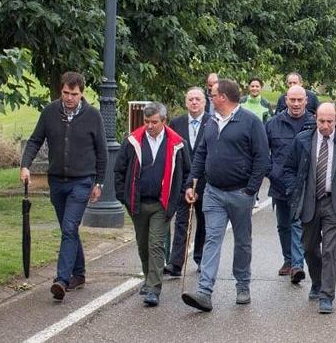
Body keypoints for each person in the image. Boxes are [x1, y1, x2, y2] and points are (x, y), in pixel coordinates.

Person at [182, 79, 270, 312]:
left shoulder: (250, 122)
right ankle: (204, 291)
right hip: (213, 193)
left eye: (212, 95)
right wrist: (191, 183)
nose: (209, 98)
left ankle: (242, 285)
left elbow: (262, 158)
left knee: (242, 242)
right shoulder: (210, 122)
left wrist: (250, 189)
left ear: (223, 97)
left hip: (240, 193)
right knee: (212, 239)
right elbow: (201, 153)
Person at [20, 71, 106, 301]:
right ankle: (79, 273)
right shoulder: (50, 112)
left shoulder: (93, 116)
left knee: (69, 228)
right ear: (61, 91)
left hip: (82, 181)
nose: (69, 98)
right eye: (66, 93)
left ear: (82, 94)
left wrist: (99, 182)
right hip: (57, 181)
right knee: (69, 229)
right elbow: (36, 140)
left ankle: (62, 279)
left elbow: (102, 151)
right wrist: (25, 165)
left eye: (74, 94)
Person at [281, 103, 336, 314]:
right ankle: (317, 282)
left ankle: (327, 295)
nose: (325, 126)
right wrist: (294, 191)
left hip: (334, 202)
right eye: (321, 121)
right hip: (309, 201)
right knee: (309, 248)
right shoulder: (303, 140)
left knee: (329, 250)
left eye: (329, 121)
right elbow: (288, 169)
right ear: (315, 119)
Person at [113, 102, 189, 307]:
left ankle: (154, 288)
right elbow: (119, 171)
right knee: (143, 244)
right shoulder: (132, 142)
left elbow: (187, 173)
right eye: (147, 122)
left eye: (154, 122)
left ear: (163, 121)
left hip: (161, 204)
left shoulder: (177, 144)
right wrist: (124, 198)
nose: (149, 126)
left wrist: (180, 195)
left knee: (156, 244)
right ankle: (148, 279)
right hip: (137, 203)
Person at [264, 86, 316, 281]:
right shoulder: (273, 124)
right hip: (279, 184)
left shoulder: (313, 122)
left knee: (297, 223)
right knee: (283, 225)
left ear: (306, 101)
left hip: (303, 184)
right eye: (292, 100)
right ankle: (288, 259)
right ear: (286, 100)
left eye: (299, 100)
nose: (295, 104)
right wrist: (272, 172)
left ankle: (296, 265)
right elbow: (262, 152)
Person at [166, 87, 212, 277]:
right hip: (183, 181)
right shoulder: (176, 123)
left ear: (204, 102)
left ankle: (201, 258)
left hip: (205, 181)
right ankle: (176, 262)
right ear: (186, 102)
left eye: (198, 99)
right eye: (191, 99)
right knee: (182, 221)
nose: (194, 102)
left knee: (204, 222)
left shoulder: (212, 122)